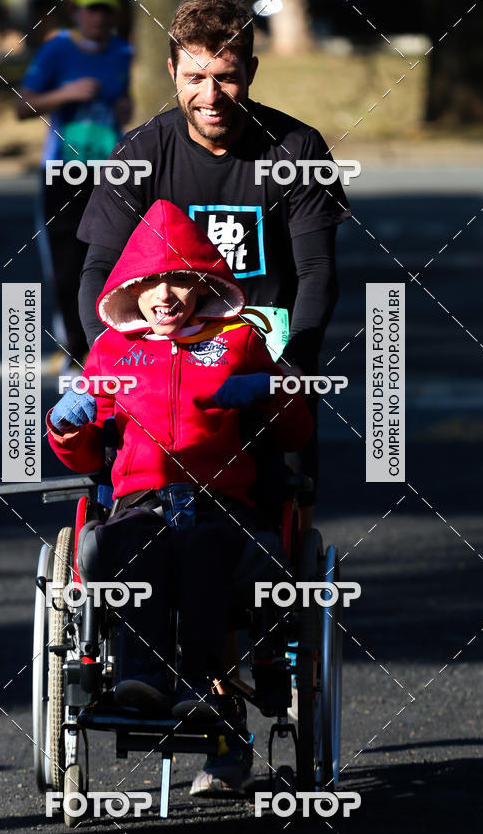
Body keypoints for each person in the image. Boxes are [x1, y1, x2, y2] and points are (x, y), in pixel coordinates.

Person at [75, 0, 351, 795]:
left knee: (250, 523)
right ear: (171, 71)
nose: (210, 95)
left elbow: (319, 277)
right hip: (158, 363)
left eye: (226, 76)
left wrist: (288, 366)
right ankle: (200, 710)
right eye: (194, 76)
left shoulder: (293, 147)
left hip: (253, 366)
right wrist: (112, 369)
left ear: (251, 71)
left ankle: (240, 689)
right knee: (151, 516)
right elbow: (96, 273)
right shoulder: (143, 150)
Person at [47, 199, 312, 790]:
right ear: (129, 292)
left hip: (221, 500)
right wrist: (67, 429)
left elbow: (295, 432)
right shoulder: (112, 352)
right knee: (131, 543)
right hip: (140, 500)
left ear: (200, 282)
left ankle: (197, 680)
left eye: (177, 280)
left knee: (200, 548)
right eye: (149, 284)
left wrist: (273, 390)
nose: (163, 296)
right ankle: (141, 674)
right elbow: (89, 458)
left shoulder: (240, 340)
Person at [17, 0, 132, 371]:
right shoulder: (57, 50)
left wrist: (124, 111)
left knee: (113, 261)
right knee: (66, 265)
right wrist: (65, 94)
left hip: (110, 172)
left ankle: (110, 348)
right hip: (62, 173)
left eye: (105, 11)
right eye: (91, 10)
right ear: (77, 13)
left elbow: (125, 104)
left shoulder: (123, 52)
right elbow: (21, 106)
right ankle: (74, 352)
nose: (98, 19)